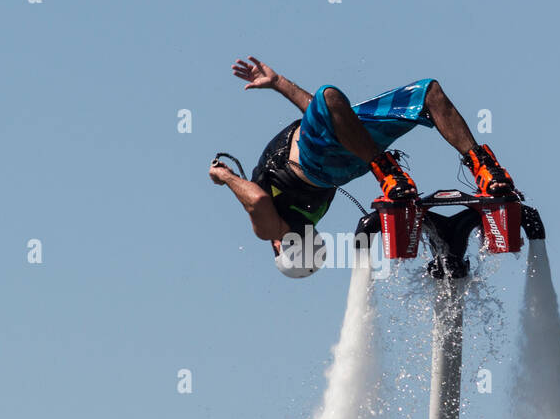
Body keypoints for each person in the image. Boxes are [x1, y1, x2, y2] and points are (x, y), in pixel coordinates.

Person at [209, 57, 517, 276]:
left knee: (427, 94)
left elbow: (329, 120)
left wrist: (277, 82)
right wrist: (225, 176)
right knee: (328, 98)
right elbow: (259, 200)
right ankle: (392, 170)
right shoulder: (274, 231)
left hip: (350, 156)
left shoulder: (304, 217)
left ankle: (485, 171)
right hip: (327, 162)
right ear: (282, 248)